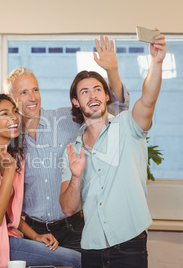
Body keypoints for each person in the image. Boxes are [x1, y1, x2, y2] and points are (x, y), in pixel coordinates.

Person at [0, 36, 129, 251]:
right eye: (24, 92)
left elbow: (114, 108)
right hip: (32, 232)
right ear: (11, 97)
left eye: (35, 90)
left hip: (74, 227)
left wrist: (112, 71)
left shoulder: (66, 119)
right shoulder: (9, 139)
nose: (32, 98)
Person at [59, 29, 166, 267]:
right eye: (84, 92)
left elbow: (148, 100)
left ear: (107, 96)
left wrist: (156, 63)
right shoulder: (72, 151)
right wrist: (76, 176)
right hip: (91, 250)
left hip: (130, 246)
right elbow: (68, 208)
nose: (92, 95)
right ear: (76, 102)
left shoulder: (128, 124)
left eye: (98, 89)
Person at [0, 93, 81, 268]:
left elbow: (10, 214)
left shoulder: (15, 156)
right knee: (76, 260)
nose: (13, 117)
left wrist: (35, 236)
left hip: (9, 239)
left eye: (14, 111)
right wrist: (9, 170)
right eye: (4, 114)